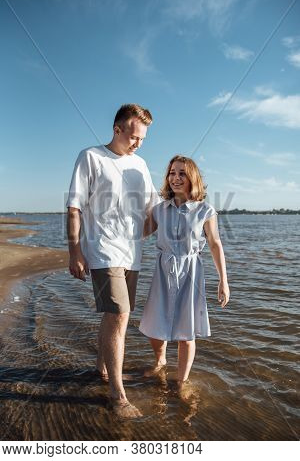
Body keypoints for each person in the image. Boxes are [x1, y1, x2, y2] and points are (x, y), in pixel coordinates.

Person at [66, 104, 158, 418]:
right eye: (134, 136)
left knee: (116, 316)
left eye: (143, 139)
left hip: (132, 253)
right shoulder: (90, 157)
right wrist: (75, 250)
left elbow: (152, 212)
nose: (138, 143)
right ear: (117, 129)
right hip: (102, 249)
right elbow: (75, 207)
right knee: (120, 313)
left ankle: (102, 367)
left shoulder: (142, 165)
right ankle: (117, 394)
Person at [139, 155, 230, 389]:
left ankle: (182, 381)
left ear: (192, 178)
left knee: (186, 331)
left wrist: (223, 281)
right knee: (153, 323)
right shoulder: (159, 210)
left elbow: (215, 244)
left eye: (182, 173)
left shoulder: (205, 210)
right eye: (172, 173)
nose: (176, 178)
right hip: (163, 270)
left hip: (191, 270)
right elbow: (138, 233)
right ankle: (160, 360)